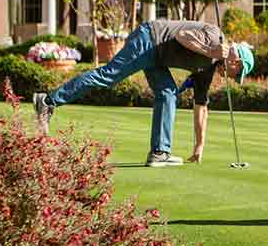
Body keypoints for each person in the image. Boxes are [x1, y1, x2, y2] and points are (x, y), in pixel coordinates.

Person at [34, 19, 254, 167]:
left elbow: (201, 106)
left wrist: (199, 146)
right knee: (108, 76)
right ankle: (48, 100)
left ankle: (159, 153)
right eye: (238, 72)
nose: (233, 77)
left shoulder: (207, 70)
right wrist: (211, 50)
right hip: (148, 39)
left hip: (157, 56)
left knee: (168, 93)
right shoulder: (215, 37)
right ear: (236, 60)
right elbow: (183, 36)